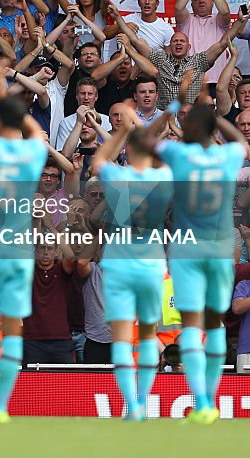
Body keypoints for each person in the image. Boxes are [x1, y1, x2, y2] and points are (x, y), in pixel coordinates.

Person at [155, 78, 247, 424]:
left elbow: (148, 140)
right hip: (221, 247)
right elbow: (243, 144)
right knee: (215, 323)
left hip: (187, 249)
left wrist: (177, 106)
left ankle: (203, 402)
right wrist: (212, 114)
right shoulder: (226, 155)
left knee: (192, 325)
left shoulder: (179, 153)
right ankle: (211, 395)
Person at [92, 118, 173, 421]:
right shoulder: (162, 179)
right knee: (149, 336)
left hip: (118, 267)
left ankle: (134, 407)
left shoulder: (117, 177)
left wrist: (122, 130)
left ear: (127, 151)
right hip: (151, 266)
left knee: (123, 340)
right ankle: (142, 398)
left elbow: (99, 159)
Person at [0, 89, 49, 422]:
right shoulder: (31, 153)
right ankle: (1, 403)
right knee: (13, 327)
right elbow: (39, 133)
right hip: (18, 251)